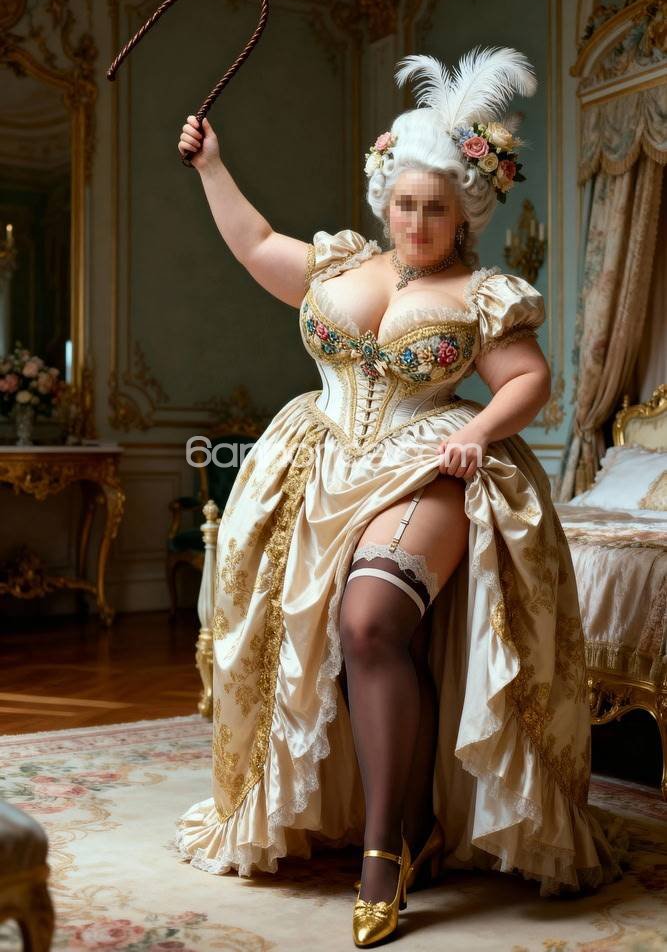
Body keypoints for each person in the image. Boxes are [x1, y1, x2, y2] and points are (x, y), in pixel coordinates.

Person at [173, 47, 625, 948]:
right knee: (317, 642)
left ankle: (386, 854)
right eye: (406, 204)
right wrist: (212, 166)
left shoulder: (482, 294)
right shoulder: (340, 267)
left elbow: (529, 380)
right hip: (319, 463)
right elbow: (257, 245)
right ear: (386, 198)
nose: (418, 223)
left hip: (429, 465)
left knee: (371, 622)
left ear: (466, 211)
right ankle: (408, 817)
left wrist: (476, 431)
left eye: (437, 208)